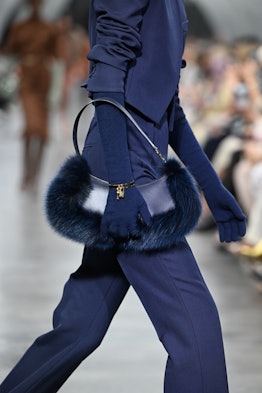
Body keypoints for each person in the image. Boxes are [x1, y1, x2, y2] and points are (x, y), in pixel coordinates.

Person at [0, 1, 246, 392]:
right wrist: (120, 186)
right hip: (127, 169)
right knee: (196, 330)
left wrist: (212, 187)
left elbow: (169, 108)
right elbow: (106, 80)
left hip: (129, 163)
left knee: (81, 327)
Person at [2, 0, 64, 192]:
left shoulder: (49, 28)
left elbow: (58, 55)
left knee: (42, 127)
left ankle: (34, 175)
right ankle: (27, 174)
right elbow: (9, 49)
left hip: (42, 78)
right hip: (27, 78)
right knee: (31, 125)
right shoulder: (20, 27)